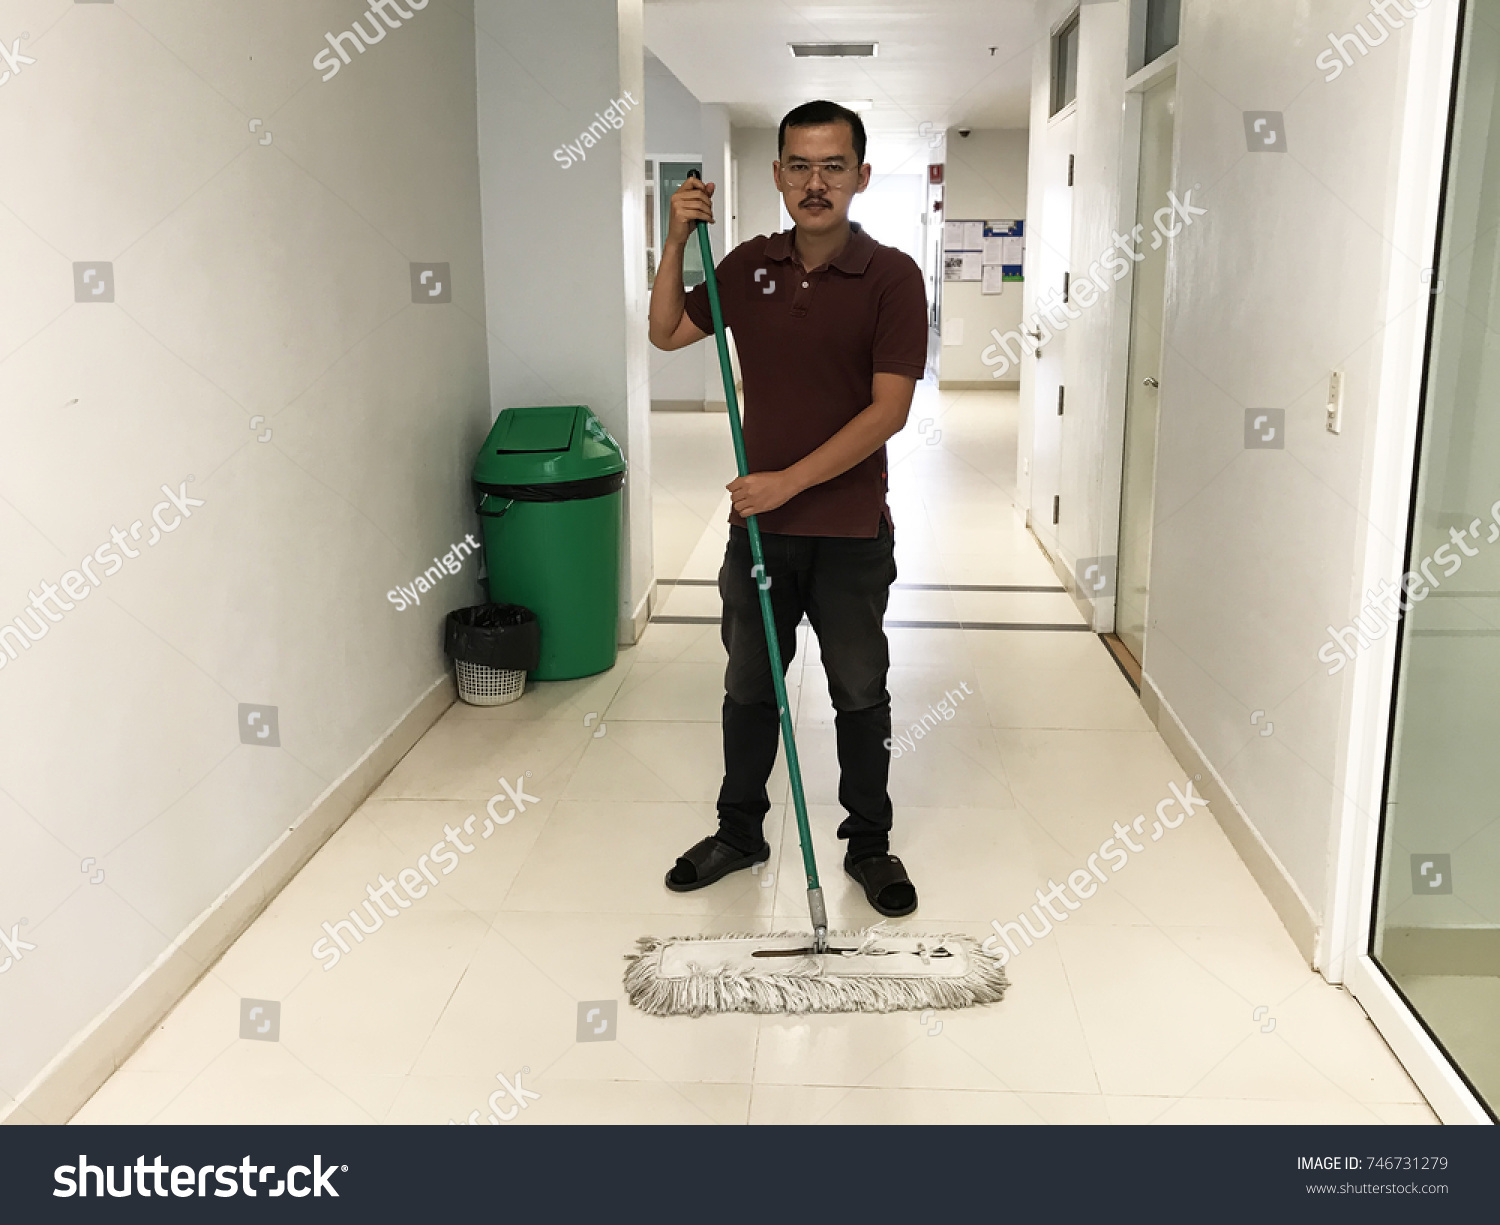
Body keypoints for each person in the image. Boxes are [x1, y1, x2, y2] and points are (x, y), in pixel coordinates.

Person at [647, 99, 928, 918]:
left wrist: (785, 482)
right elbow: (666, 331)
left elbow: (889, 413)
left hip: (848, 532)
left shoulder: (892, 278)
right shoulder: (746, 266)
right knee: (750, 687)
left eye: (833, 166)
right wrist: (674, 239)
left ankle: (868, 845)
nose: (816, 183)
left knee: (859, 689)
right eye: (799, 166)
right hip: (761, 539)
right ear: (776, 175)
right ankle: (740, 834)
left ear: (861, 176)